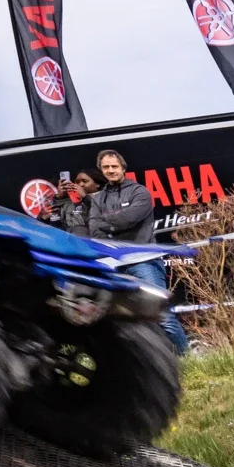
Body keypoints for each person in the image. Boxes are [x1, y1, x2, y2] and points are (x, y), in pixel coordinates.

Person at [88, 149, 188, 352]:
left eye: (114, 166)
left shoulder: (139, 192)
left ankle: (189, 360)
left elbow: (129, 219)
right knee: (123, 321)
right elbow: (93, 229)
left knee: (161, 314)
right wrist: (115, 222)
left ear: (123, 168)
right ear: (101, 170)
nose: (110, 171)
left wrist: (108, 222)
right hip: (114, 265)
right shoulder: (97, 199)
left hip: (144, 261)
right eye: (106, 167)